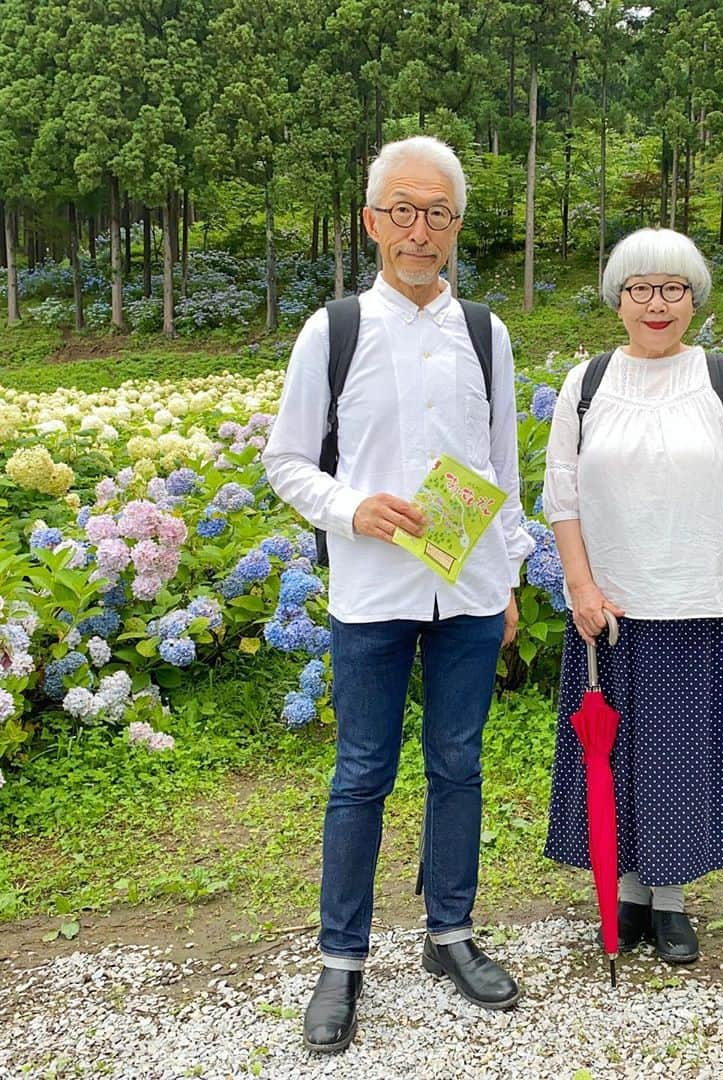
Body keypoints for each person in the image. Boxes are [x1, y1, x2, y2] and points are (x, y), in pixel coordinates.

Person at [263, 136, 534, 1054]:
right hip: (372, 591)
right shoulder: (332, 331)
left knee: (457, 764)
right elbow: (286, 461)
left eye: (440, 214)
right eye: (403, 212)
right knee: (361, 773)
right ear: (373, 221)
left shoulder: (488, 335)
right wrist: (353, 507)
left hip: (466, 595)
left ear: (458, 227)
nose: (421, 232)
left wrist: (510, 577)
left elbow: (503, 468)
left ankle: (449, 935)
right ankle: (342, 959)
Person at [541, 228, 723, 965]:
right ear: (618, 301)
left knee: (680, 757)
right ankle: (627, 892)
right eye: (640, 288)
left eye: (673, 288)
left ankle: (669, 902)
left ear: (695, 300)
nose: (657, 303)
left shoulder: (722, 381)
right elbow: (562, 494)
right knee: (616, 754)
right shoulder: (586, 384)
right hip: (607, 612)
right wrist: (579, 585)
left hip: (695, 604)